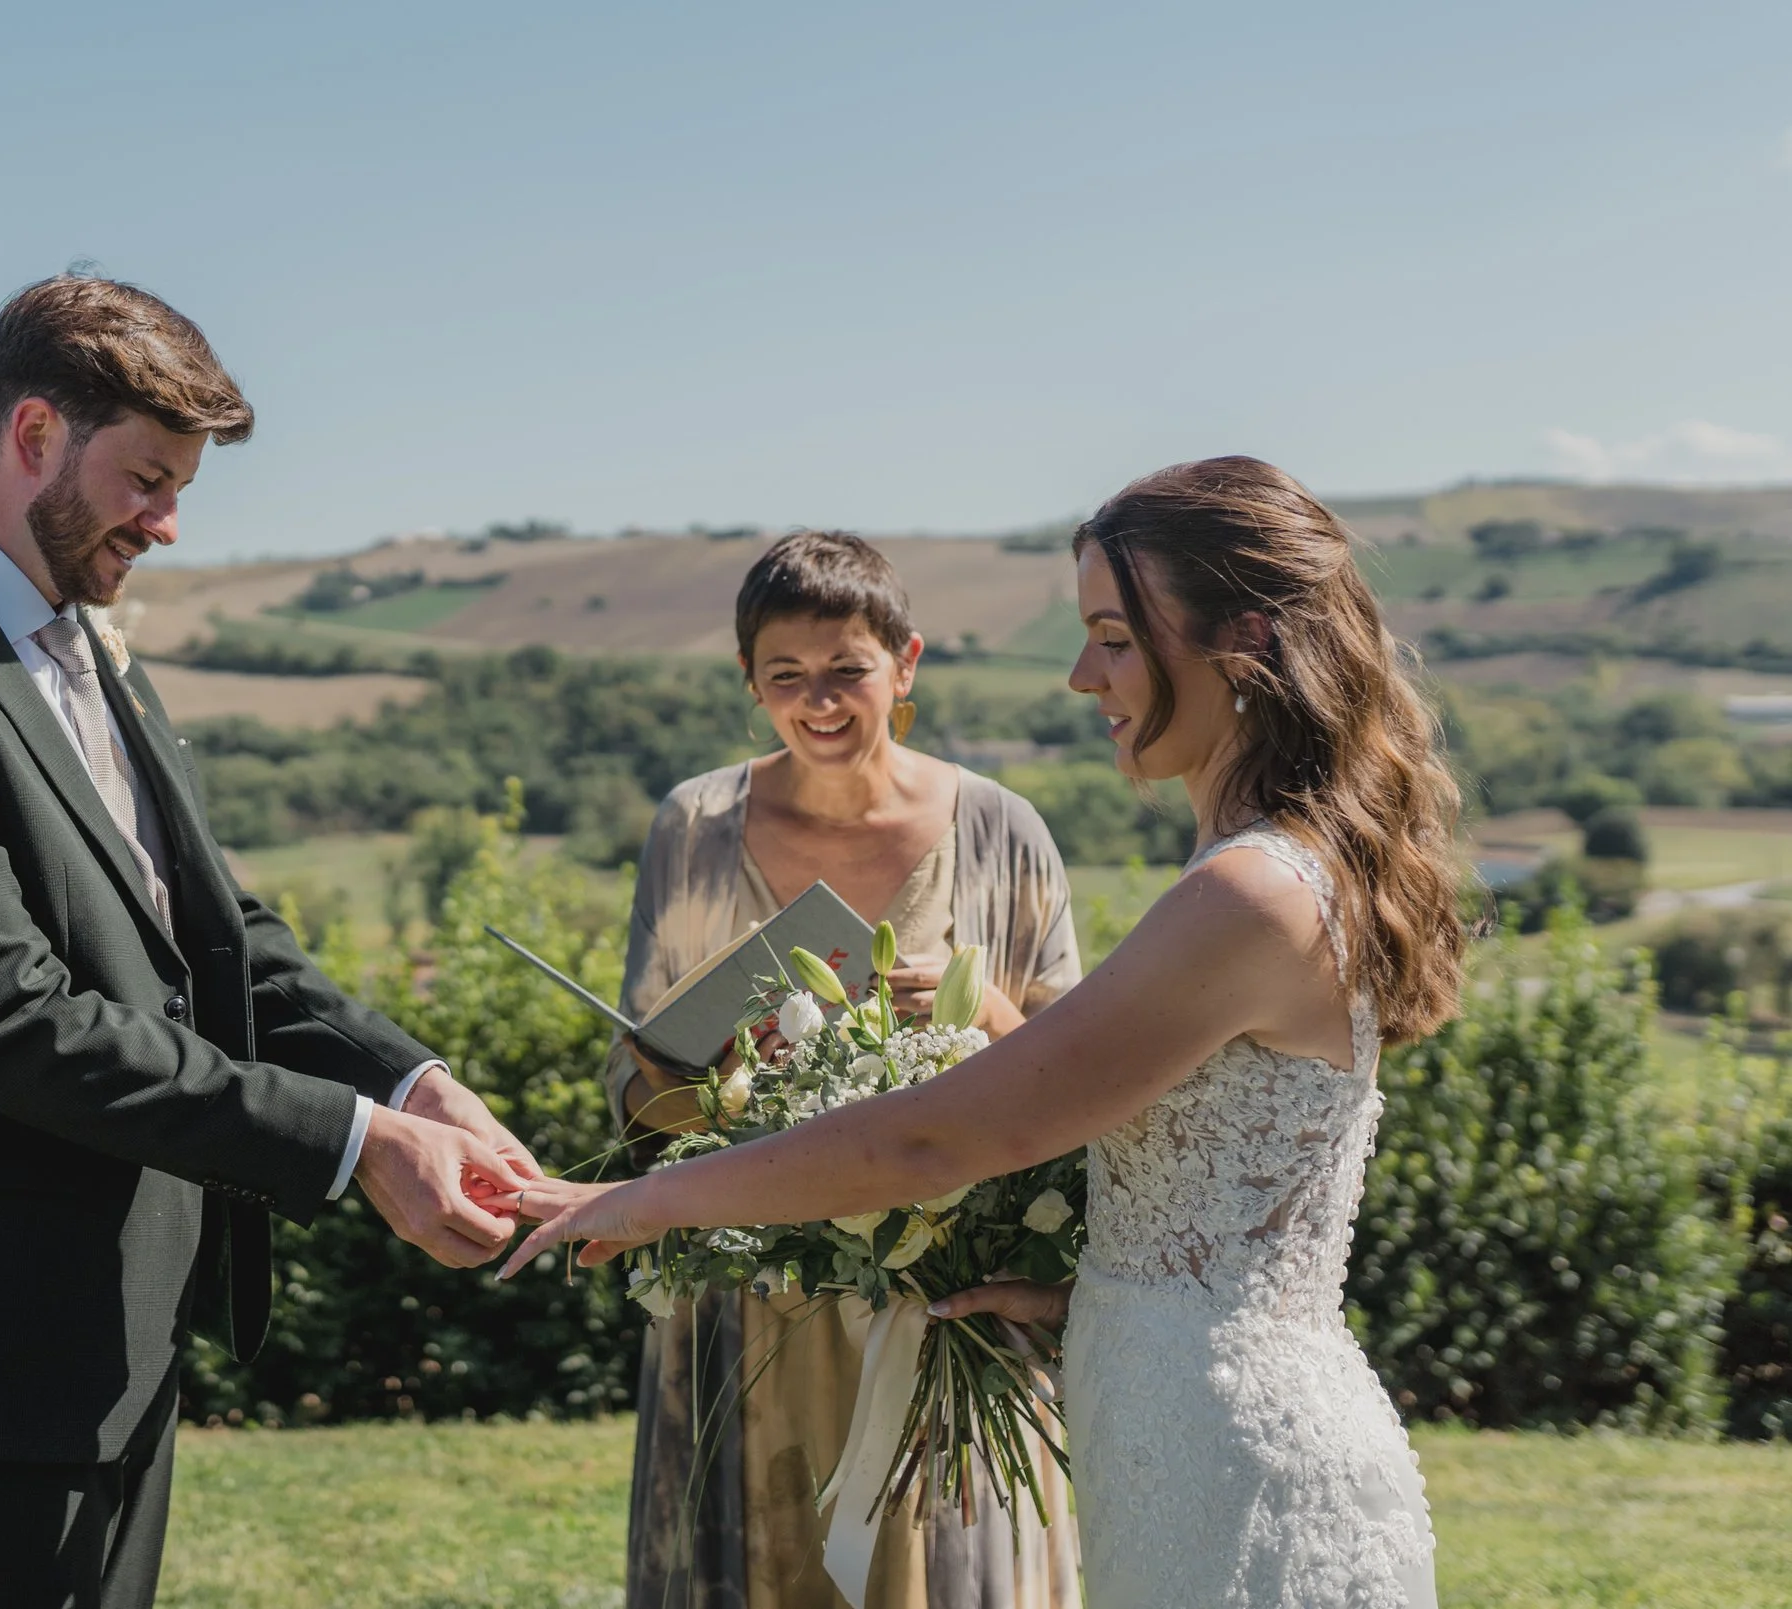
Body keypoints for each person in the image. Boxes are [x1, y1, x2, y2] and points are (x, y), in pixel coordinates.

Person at [510, 459, 1468, 1609]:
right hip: (1179, 1434)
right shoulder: (1270, 875)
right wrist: (1091, 1298)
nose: (1080, 674)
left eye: (1113, 637)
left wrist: (638, 1198)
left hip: (1230, 1474)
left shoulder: (1251, 895)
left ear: (1241, 643)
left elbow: (933, 1143)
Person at [0, 274, 536, 1609]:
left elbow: (223, 944)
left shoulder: (91, 657)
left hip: (114, 1345)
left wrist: (410, 1081)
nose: (168, 524)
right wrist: (356, 1148)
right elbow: (19, 1023)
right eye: (148, 480)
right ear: (35, 435)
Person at [604, 531, 1082, 1609]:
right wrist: (705, 1074)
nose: (818, 701)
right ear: (750, 684)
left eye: (846, 671)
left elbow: (1077, 1083)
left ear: (904, 662)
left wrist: (989, 1019)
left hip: (951, 1303)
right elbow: (637, 1088)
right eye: (786, 677)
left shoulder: (1004, 831)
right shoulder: (692, 828)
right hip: (748, 1303)